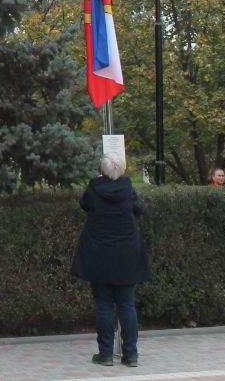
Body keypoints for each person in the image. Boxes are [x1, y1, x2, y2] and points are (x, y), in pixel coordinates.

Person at [71, 154, 152, 369]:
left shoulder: (94, 188)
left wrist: (100, 181)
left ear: (102, 169)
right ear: (122, 169)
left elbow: (84, 204)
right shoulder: (128, 188)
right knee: (127, 304)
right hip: (127, 253)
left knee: (104, 304)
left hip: (99, 255)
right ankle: (131, 355)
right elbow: (140, 209)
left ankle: (106, 354)